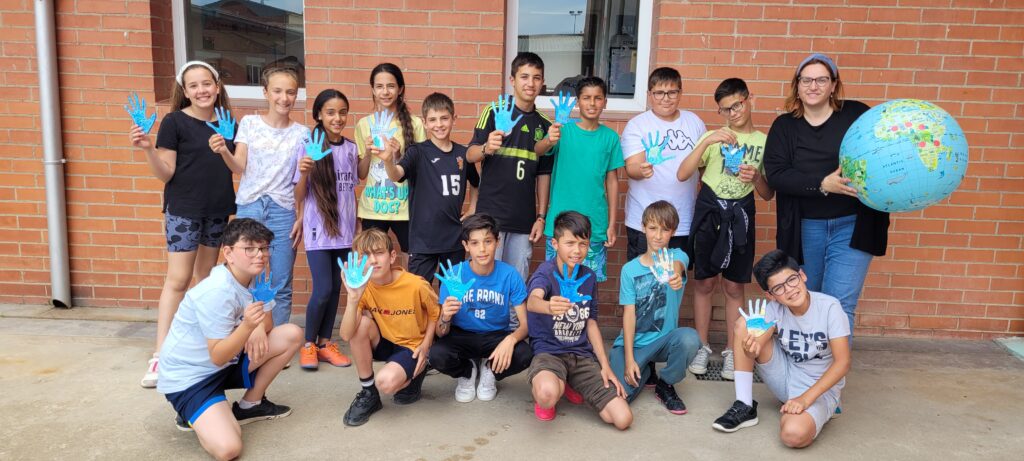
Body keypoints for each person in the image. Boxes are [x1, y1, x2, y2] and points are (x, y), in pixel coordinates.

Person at [763, 53, 890, 334]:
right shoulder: (785, 127)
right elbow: (777, 174)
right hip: (805, 229)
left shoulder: (857, 115)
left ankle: (833, 365)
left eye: (821, 80)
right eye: (806, 80)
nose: (813, 86)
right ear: (797, 86)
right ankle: (808, 361)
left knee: (839, 305)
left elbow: (884, 152)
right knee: (805, 301)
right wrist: (822, 184)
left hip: (853, 226)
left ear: (833, 85)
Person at [157, 218, 302, 461]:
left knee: (291, 335)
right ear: (228, 253)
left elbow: (267, 324)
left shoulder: (254, 277)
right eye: (249, 248)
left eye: (264, 248)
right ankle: (192, 413)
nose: (260, 255)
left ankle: (250, 406)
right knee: (228, 449)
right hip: (192, 377)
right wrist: (248, 327)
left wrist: (256, 328)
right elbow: (217, 356)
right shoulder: (217, 291)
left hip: (225, 363)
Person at [131, 61, 236, 388]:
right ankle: (160, 353)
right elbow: (166, 173)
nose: (202, 90)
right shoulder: (174, 121)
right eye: (194, 85)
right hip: (184, 211)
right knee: (178, 280)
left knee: (205, 278)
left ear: (217, 86)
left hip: (217, 210)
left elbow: (235, 165)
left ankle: (200, 344)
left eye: (207, 83)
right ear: (185, 91)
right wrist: (148, 150)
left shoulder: (228, 123)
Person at [676, 78, 774, 380]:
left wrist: (755, 177)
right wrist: (707, 141)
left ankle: (734, 350)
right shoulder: (713, 137)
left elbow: (767, 194)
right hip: (710, 211)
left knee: (733, 286)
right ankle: (702, 346)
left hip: (741, 212)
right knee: (704, 282)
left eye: (737, 105)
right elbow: (683, 173)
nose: (733, 113)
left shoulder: (763, 141)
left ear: (749, 99)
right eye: (725, 109)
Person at [711, 249, 851, 449]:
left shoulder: (830, 308)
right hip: (784, 376)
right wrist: (750, 351)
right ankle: (744, 404)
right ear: (771, 295)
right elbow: (758, 341)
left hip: (818, 389)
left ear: (802, 276)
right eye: (778, 288)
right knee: (744, 325)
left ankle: (826, 407)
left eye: (792, 280)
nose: (789, 290)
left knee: (793, 435)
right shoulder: (775, 309)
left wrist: (804, 400)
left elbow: (843, 363)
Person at [215, 66, 309, 327]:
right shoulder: (250, 123)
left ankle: (277, 338)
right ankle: (251, 335)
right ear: (266, 92)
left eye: (290, 92)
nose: (284, 98)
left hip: (283, 210)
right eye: (277, 91)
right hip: (251, 206)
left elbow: (301, 184)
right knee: (247, 277)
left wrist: (301, 216)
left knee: (281, 281)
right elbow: (239, 166)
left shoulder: (302, 133)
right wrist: (224, 150)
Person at [525, 211, 632, 430]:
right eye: (570, 243)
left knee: (623, 419)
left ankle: (571, 381)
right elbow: (532, 301)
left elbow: (591, 322)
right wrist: (548, 306)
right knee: (547, 394)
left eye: (583, 244)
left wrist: (605, 366)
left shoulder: (589, 276)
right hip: (549, 353)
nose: (577, 250)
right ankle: (557, 384)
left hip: (581, 355)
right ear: (555, 244)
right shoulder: (545, 272)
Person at [467, 52, 553, 284]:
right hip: (490, 216)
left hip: (523, 220)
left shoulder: (545, 124)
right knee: (485, 281)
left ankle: (515, 314)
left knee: (515, 284)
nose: (530, 83)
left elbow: (544, 174)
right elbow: (470, 154)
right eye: (524, 76)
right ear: (512, 80)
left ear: (542, 83)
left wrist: (541, 217)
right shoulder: (495, 111)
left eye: (536, 78)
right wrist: (486, 147)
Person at [338, 228, 439, 426]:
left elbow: (435, 314)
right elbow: (346, 335)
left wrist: (426, 346)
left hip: (411, 346)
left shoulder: (415, 284)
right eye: (365, 256)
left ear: (392, 256)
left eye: (378, 253)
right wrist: (353, 299)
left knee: (386, 383)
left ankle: (419, 371)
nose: (373, 260)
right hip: (386, 341)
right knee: (360, 325)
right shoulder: (363, 287)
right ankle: (369, 393)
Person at [428, 213, 533, 402]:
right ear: (466, 246)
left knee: (524, 354)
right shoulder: (454, 275)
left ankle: (490, 369)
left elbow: (525, 325)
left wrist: (510, 339)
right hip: (461, 335)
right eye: (475, 243)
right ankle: (467, 371)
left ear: (497, 242)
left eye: (488, 241)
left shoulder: (510, 275)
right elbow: (441, 332)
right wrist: (445, 317)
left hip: (496, 335)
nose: (482, 249)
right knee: (437, 355)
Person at [609, 201, 701, 414]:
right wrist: (630, 359)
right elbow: (629, 314)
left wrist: (675, 275)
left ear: (673, 231)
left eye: (665, 229)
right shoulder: (629, 270)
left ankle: (665, 383)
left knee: (689, 339)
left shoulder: (677, 256)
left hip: (663, 342)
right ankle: (645, 369)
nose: (658, 236)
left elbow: (678, 266)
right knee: (619, 397)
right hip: (633, 345)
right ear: (643, 228)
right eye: (652, 228)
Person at [380, 92, 478, 282]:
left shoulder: (463, 154)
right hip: (423, 241)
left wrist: (473, 208)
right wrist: (388, 161)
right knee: (418, 290)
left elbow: (475, 183)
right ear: (424, 122)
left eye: (444, 118)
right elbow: (397, 174)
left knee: (452, 292)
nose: (439, 124)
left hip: (454, 240)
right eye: (432, 120)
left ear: (454, 119)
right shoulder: (417, 152)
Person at [292, 89, 357, 370]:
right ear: (319, 114)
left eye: (342, 112)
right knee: (323, 289)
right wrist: (304, 171)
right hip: (318, 230)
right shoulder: (308, 146)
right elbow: (298, 195)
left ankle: (324, 343)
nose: (337, 118)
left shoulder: (351, 148)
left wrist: (356, 226)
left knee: (336, 289)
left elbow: (351, 190)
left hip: (344, 231)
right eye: (330, 112)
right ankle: (308, 344)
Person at [538, 76, 623, 282]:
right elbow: (538, 151)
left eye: (597, 98)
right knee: (555, 283)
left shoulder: (610, 137)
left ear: (605, 102)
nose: (592, 103)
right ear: (578, 102)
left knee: (588, 284)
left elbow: (612, 181)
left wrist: (612, 224)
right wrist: (549, 139)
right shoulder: (563, 130)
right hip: (560, 223)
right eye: (586, 98)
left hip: (594, 225)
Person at [620, 67, 706, 261]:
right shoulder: (637, 124)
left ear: (680, 93)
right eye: (659, 93)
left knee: (676, 275)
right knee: (642, 275)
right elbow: (631, 168)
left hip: (682, 220)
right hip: (645, 221)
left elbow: (703, 168)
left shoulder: (695, 123)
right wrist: (641, 170)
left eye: (672, 92)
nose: (665, 98)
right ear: (649, 94)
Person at [355, 63, 427, 257]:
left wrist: (398, 156)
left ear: (400, 89)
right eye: (379, 86)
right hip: (373, 208)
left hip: (405, 208)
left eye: (391, 86)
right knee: (372, 260)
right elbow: (361, 174)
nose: (385, 92)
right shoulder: (364, 124)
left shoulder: (415, 124)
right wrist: (368, 152)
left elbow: (421, 171)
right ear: (372, 89)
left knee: (413, 259)